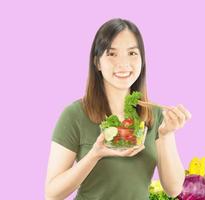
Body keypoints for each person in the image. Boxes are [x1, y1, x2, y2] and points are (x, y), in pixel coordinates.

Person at [45, 18, 191, 200]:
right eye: (112, 54)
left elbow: (174, 189)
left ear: (142, 60)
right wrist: (94, 155)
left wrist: (167, 134)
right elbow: (52, 193)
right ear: (97, 63)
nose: (123, 63)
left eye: (132, 53)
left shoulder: (154, 115)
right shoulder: (74, 115)